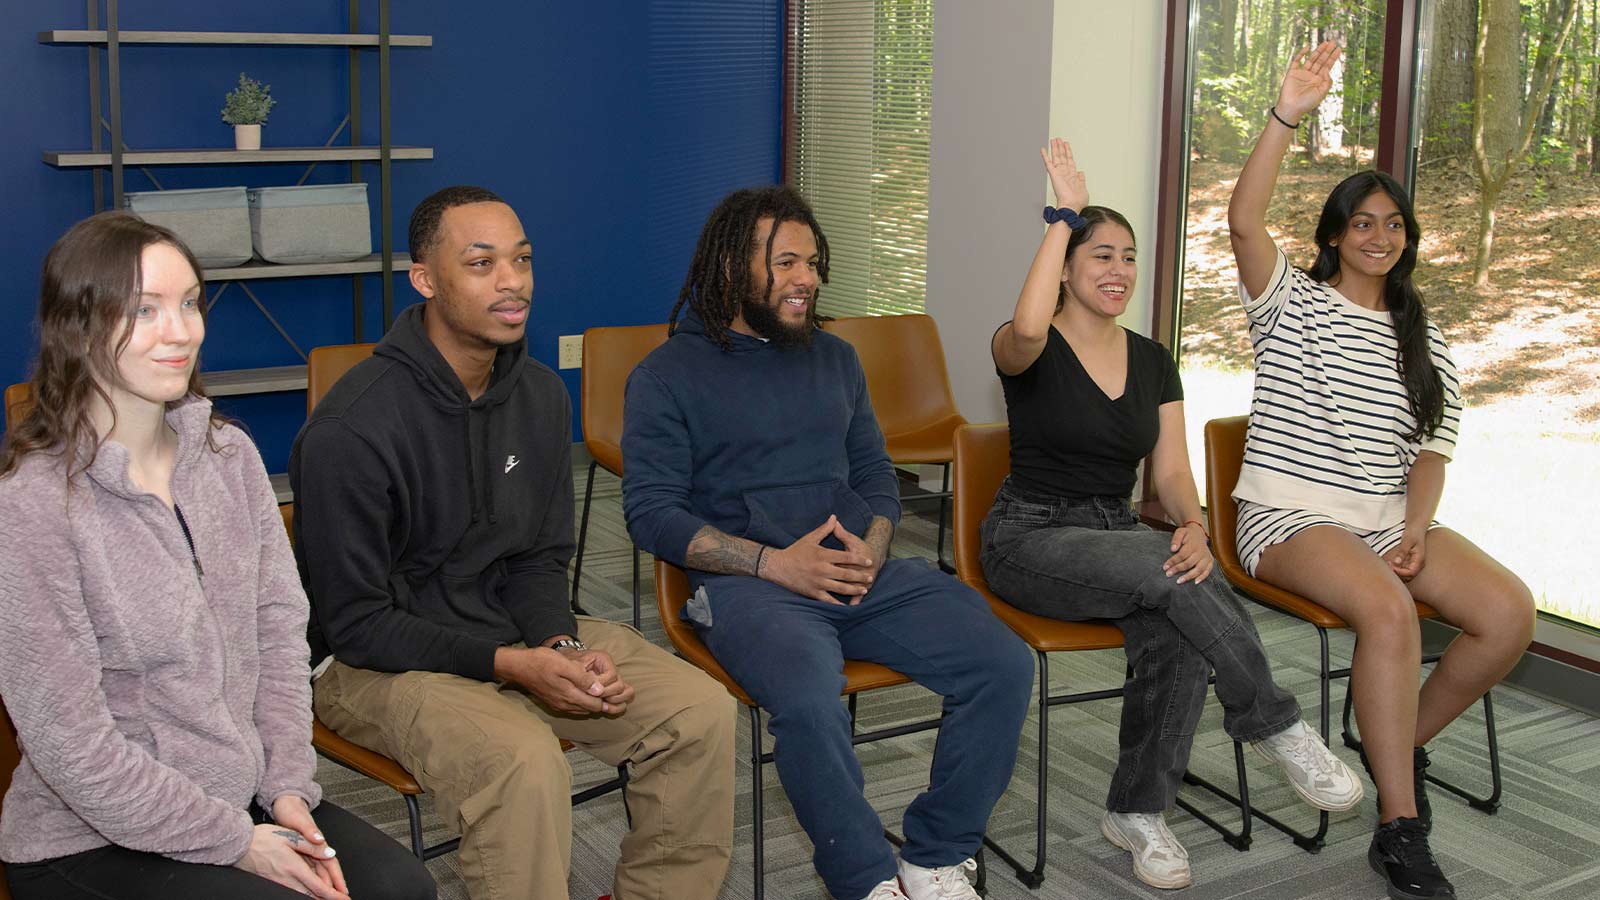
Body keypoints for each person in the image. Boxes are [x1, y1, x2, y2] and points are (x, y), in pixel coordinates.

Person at [290, 186, 736, 900]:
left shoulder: (538, 395)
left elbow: (537, 557)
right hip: (371, 665)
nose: (512, 280)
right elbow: (357, 623)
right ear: (426, 279)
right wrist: (508, 663)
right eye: (481, 262)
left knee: (698, 709)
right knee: (523, 760)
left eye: (521, 259)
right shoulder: (352, 428)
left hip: (503, 630)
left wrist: (558, 648)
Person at [0, 212, 435, 900]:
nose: (181, 331)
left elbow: (278, 637)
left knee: (401, 889)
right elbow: (72, 747)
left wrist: (289, 786)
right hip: (91, 836)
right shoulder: (32, 505)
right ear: (77, 329)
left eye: (189, 303)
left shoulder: (228, 458)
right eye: (143, 311)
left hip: (244, 795)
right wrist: (235, 843)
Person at [621, 185, 1034, 900]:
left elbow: (875, 471)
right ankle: (866, 880)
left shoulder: (835, 359)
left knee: (1003, 660)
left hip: (859, 572)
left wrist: (874, 542)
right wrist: (776, 563)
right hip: (750, 589)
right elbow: (651, 514)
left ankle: (935, 855)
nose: (806, 279)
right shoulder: (665, 376)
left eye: (812, 262)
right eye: (786, 263)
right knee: (810, 701)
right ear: (730, 271)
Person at [977, 140, 1363, 891]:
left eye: (1128, 257)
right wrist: (1061, 212)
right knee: (1170, 578)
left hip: (1118, 533)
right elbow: (1025, 329)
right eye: (1100, 256)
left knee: (1179, 620)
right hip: (1032, 533)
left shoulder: (1154, 359)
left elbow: (1175, 473)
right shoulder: (1029, 347)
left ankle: (1137, 813)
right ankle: (1276, 723)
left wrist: (1194, 523)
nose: (1118, 270)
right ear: (1063, 265)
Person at [1227, 43, 1536, 900]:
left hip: (1385, 518)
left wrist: (1412, 522)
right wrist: (1287, 111)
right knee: (1391, 613)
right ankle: (1400, 829)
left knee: (1508, 614)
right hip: (1289, 518)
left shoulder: (1419, 332)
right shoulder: (1291, 303)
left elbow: (1434, 446)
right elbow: (1244, 221)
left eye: (1393, 224)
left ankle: (1389, 741)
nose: (1379, 236)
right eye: (1362, 222)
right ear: (1333, 235)